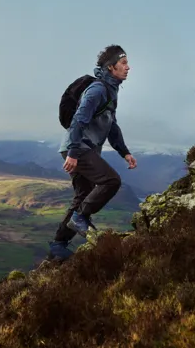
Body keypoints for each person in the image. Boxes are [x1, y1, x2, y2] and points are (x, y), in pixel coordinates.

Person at [48, 44, 137, 262]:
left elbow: (111, 126)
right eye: (123, 63)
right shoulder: (98, 89)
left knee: (82, 195)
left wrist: (124, 152)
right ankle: (80, 218)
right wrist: (73, 153)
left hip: (79, 149)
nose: (128, 68)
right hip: (79, 148)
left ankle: (58, 246)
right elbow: (80, 118)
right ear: (110, 67)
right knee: (111, 181)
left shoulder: (111, 91)